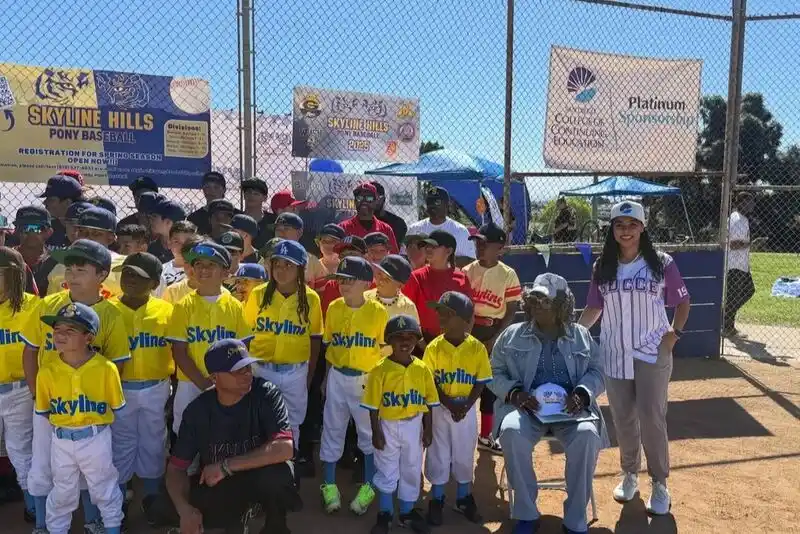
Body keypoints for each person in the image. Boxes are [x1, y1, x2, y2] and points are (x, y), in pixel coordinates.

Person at [578, 200, 690, 517]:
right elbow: (594, 308)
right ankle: (629, 474)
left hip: (652, 351)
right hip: (614, 352)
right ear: (612, 230)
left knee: (652, 418)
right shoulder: (602, 267)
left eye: (631, 224)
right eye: (619, 225)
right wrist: (575, 331)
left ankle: (659, 482)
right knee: (624, 418)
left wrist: (674, 335)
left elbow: (683, 303)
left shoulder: (661, 263)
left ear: (642, 227)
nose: (625, 231)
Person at [21, 239, 131, 534]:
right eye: (68, 268)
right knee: (43, 467)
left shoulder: (111, 315)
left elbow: (116, 365)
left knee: (93, 471)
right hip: (51, 403)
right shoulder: (48, 305)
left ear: (102, 275)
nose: (71, 275)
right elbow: (30, 351)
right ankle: (43, 524)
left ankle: (95, 520)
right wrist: (37, 393)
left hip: (90, 409)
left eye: (80, 269)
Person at [492, 274, 608, 534]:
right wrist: (514, 394)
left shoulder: (581, 336)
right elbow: (494, 372)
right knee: (511, 431)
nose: (537, 305)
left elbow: (598, 372)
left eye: (545, 300)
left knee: (588, 436)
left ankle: (576, 520)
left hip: (570, 411)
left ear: (561, 306)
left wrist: (581, 394)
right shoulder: (512, 335)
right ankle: (526, 515)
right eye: (534, 299)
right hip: (526, 410)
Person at [158, 338, 300, 534]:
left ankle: (275, 524)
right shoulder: (197, 411)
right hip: (222, 484)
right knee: (162, 504)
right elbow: (176, 468)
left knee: (280, 475)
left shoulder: (266, 393)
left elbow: (285, 447)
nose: (247, 375)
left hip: (255, 475)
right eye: (237, 371)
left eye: (248, 367)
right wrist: (185, 510)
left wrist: (226, 466)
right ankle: (236, 518)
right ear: (214, 377)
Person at [34, 302, 126, 534]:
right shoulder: (46, 371)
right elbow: (45, 411)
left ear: (89, 337)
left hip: (95, 438)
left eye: (70, 331)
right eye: (57, 330)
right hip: (61, 440)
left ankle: (113, 528)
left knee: (104, 488)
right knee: (63, 492)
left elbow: (115, 407)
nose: (61, 336)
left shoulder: (106, 368)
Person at [319, 256, 389, 515]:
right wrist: (327, 378)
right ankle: (328, 483)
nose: (344, 284)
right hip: (337, 375)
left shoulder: (378, 311)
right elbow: (329, 347)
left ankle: (369, 485)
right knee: (332, 429)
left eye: (350, 280)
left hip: (366, 379)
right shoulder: (335, 308)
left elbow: (383, 352)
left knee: (368, 434)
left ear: (366, 283)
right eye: (341, 279)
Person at [108, 253, 174, 515]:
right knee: (120, 443)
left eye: (139, 275)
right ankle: (119, 498)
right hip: (119, 387)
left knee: (154, 442)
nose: (131, 279)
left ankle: (152, 498)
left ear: (155, 281)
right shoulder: (107, 310)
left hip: (156, 385)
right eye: (127, 273)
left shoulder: (167, 310)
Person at [165, 240, 253, 436]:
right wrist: (205, 384)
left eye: (210, 265)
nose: (203, 270)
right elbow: (179, 352)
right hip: (190, 382)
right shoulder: (182, 306)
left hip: (227, 381)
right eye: (198, 265)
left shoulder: (235, 306)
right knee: (186, 434)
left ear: (224, 272)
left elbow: (243, 347)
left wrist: (226, 382)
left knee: (223, 433)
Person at [361, 315, 437, 534]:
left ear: (417, 341)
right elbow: (373, 406)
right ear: (389, 342)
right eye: (398, 337)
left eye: (410, 337)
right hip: (388, 425)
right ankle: (385, 513)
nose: (405, 342)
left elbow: (430, 403)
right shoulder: (379, 370)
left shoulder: (422, 369)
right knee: (386, 467)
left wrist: (429, 429)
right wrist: (375, 432)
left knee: (412, 467)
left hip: (414, 424)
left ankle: (406, 511)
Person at [244, 240, 323, 448]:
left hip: (295, 371)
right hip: (261, 369)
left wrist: (309, 374)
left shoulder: (311, 299)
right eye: (277, 264)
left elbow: (315, 339)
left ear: (300, 269)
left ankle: (289, 472)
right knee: (257, 422)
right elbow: (246, 334)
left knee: (292, 424)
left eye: (289, 265)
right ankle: (261, 473)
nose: (282, 270)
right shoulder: (258, 294)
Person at [422, 292, 490, 525]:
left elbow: (481, 380)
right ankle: (437, 498)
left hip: (466, 409)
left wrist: (467, 404)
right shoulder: (433, 347)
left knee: (464, 453)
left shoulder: (477, 348)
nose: (440, 316)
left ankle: (463, 497)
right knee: (438, 453)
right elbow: (429, 381)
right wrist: (448, 402)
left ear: (463, 318)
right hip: (441, 408)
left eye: (447, 313)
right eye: (439, 311)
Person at [463, 222, 522, 454]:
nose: (479, 246)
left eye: (484, 243)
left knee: (488, 384)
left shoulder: (508, 274)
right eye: (477, 242)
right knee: (464, 382)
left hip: (492, 330)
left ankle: (485, 435)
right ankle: (462, 434)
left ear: (500, 248)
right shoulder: (467, 271)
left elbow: (511, 310)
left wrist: (495, 337)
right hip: (469, 330)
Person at [0, 247, 40, 524]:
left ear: (14, 275)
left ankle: (34, 506)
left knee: (22, 451)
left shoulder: (35, 307)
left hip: (20, 391)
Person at [402, 230, 472, 343]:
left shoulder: (461, 278)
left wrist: (463, 340)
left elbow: (469, 314)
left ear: (449, 251)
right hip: (422, 340)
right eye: (427, 246)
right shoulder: (416, 276)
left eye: (434, 246)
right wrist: (420, 342)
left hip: (454, 339)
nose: (428, 249)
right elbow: (406, 310)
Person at [48, 207, 126, 298]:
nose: (88, 237)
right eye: (82, 232)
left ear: (110, 238)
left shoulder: (122, 267)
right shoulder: (62, 265)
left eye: (96, 233)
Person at [406, 187, 475, 267]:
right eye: (429, 202)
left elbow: (470, 260)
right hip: (420, 276)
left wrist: (439, 261)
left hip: (450, 277)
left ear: (447, 205)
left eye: (437, 202)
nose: (432, 206)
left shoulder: (460, 230)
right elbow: (405, 256)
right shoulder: (415, 228)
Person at [723, 192, 756, 337]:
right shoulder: (736, 219)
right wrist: (751, 244)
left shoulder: (744, 219)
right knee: (734, 296)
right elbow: (733, 244)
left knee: (748, 290)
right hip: (734, 264)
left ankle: (726, 320)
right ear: (741, 202)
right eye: (749, 202)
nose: (752, 205)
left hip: (742, 264)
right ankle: (727, 325)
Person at [339, 183, 399, 253]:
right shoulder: (343, 228)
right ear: (355, 202)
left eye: (369, 198)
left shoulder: (386, 229)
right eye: (360, 198)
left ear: (376, 202)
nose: (364, 202)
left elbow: (393, 258)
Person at [273, 213, 327, 290]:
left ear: (299, 232)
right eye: (278, 229)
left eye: (286, 228)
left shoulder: (311, 261)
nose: (280, 233)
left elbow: (322, 291)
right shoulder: (267, 257)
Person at [318, 236, 368, 317]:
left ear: (365, 257)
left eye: (352, 254)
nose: (348, 259)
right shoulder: (331, 285)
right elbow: (325, 320)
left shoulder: (372, 284)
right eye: (343, 255)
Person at [13, 206, 58, 295]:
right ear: (16, 231)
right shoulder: (6, 258)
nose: (31, 233)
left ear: (49, 232)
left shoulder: (55, 262)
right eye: (25, 228)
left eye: (38, 228)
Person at [38, 174, 84, 250]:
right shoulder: (47, 228)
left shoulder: (87, 230)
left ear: (68, 203)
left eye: (51, 200)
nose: (45, 203)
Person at [161, 235, 209, 305]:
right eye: (187, 261)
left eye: (198, 263)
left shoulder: (220, 293)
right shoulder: (172, 291)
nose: (192, 267)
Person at [241, 178, 277, 251]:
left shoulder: (273, 221)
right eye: (248, 192)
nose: (251, 196)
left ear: (265, 198)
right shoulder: (235, 219)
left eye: (256, 193)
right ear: (244, 195)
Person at [187, 171, 227, 235]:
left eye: (216, 187)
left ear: (224, 190)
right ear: (203, 190)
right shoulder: (193, 218)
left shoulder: (235, 215)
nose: (211, 191)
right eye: (207, 187)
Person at [161, 220, 199, 288]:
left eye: (188, 242)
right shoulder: (161, 271)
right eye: (176, 242)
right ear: (169, 243)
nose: (182, 247)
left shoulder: (202, 270)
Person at [370, 180, 408, 246]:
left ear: (383, 199)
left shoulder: (398, 223)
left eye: (375, 197)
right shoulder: (357, 222)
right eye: (369, 198)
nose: (372, 201)